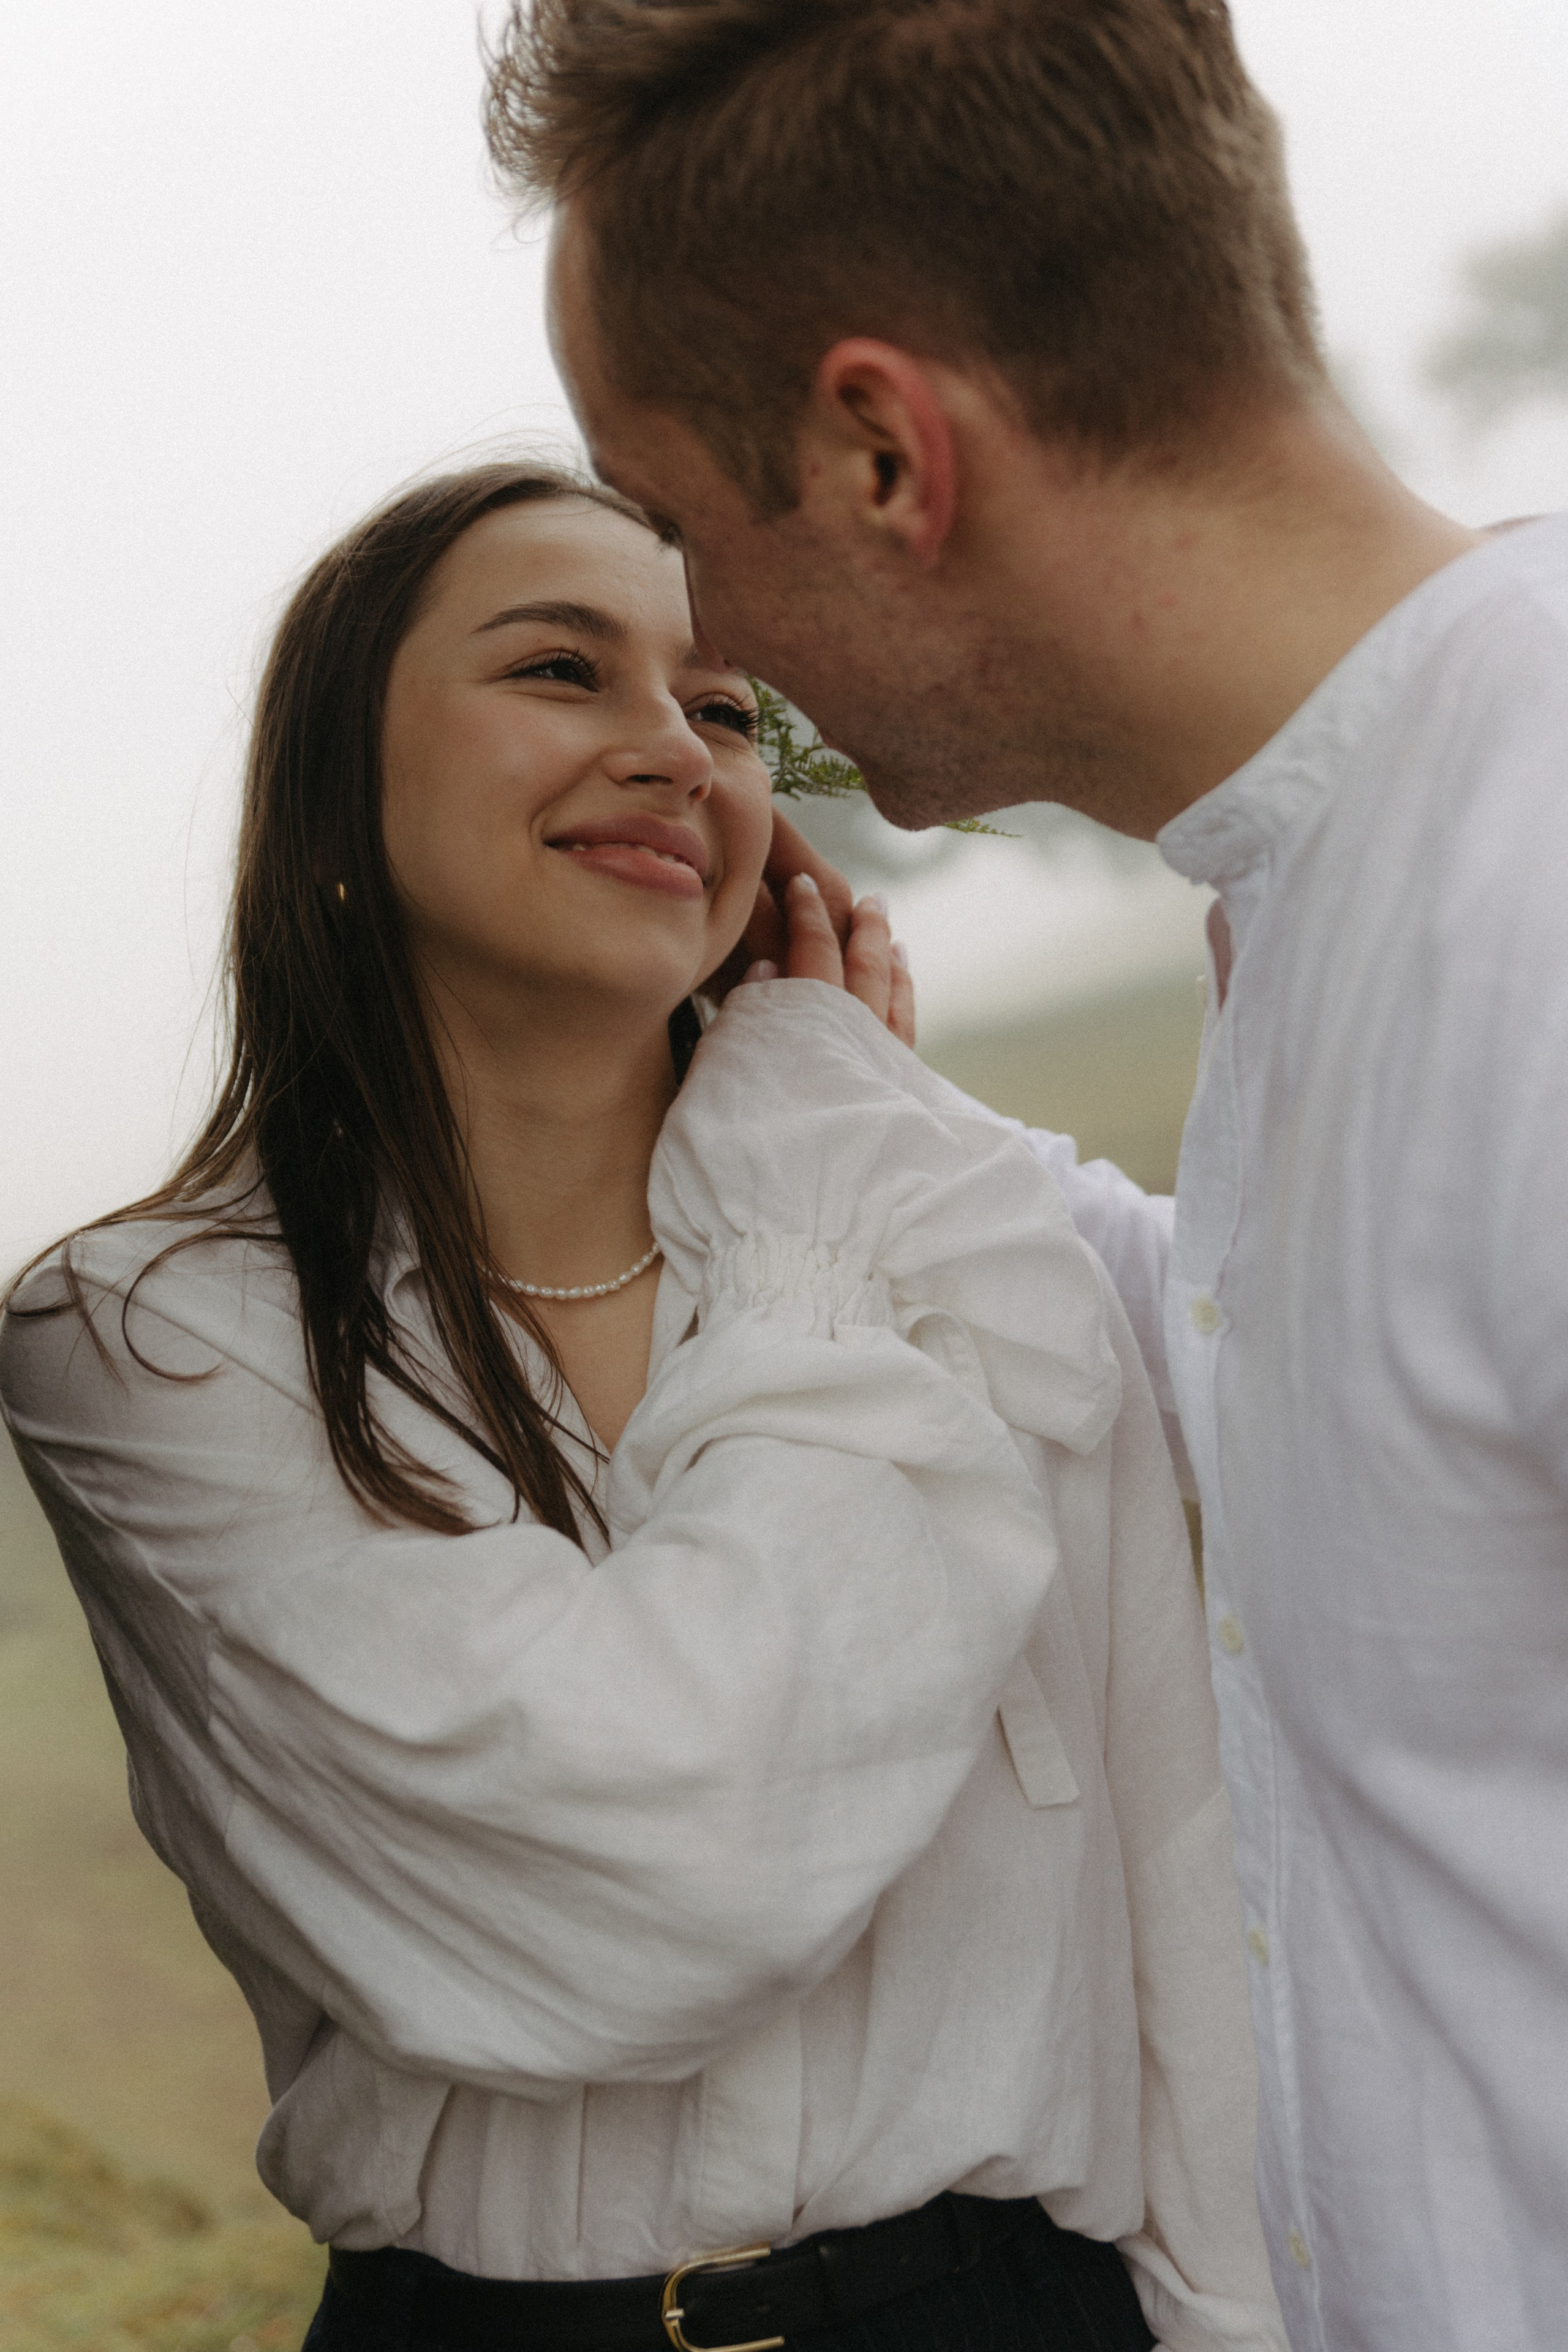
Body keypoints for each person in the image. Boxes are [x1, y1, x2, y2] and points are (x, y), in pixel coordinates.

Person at [483, 5, 1568, 2348]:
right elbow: (1330, 1398)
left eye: (675, 523)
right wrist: (851, 1114)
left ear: (884, 449)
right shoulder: (1340, 879)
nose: (707, 664)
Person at [0, 462, 1284, 2352]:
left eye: (723, 707)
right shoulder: (152, 1338)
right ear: (340, 785)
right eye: (559, 671)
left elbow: (1178, 1852)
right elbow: (673, 1873)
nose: (676, 753)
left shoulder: (964, 1222)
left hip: (1023, 2312)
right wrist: (809, 1216)